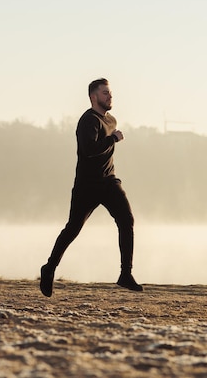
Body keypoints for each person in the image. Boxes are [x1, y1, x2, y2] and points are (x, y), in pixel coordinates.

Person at [40, 78, 143, 297]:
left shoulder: (111, 120)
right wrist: (113, 139)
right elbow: (89, 150)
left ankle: (125, 274)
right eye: (105, 93)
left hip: (109, 181)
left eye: (110, 92)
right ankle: (49, 268)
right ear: (93, 97)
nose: (110, 96)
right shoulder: (88, 121)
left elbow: (103, 151)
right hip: (87, 185)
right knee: (73, 228)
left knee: (127, 220)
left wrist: (112, 138)